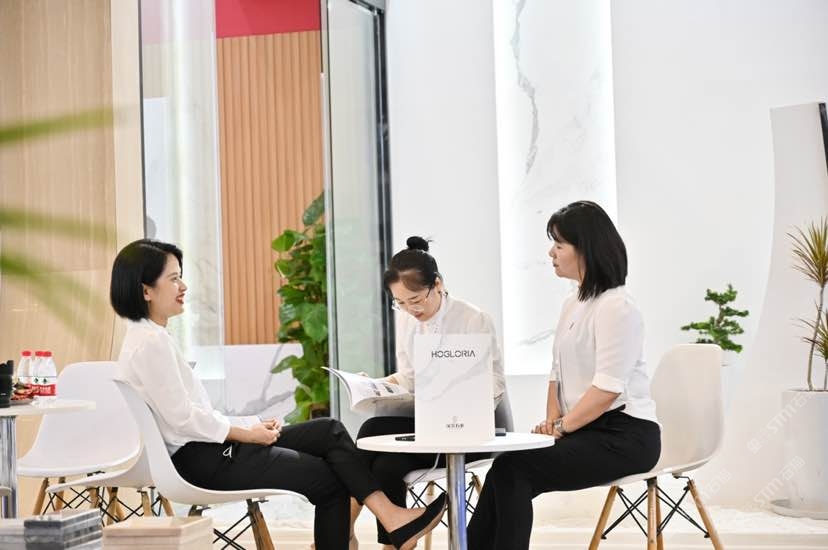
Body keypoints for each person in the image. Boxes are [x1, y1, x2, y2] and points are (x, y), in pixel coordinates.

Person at [110, 238, 446, 550]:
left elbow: (193, 414)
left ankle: (391, 516)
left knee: (329, 430)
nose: (183, 286)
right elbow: (184, 420)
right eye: (173, 279)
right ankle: (392, 518)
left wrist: (251, 425)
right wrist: (247, 434)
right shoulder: (150, 344)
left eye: (180, 277)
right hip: (203, 460)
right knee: (330, 481)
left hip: (211, 449)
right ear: (146, 290)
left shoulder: (151, 337)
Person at [466, 201, 662, 550]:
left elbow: (606, 390)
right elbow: (556, 374)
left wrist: (561, 428)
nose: (551, 253)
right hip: (586, 429)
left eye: (559, 244)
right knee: (505, 467)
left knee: (514, 469)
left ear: (585, 249)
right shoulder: (572, 303)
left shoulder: (617, 307)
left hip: (627, 436)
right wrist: (551, 424)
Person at [352, 236, 506, 549]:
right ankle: (393, 539)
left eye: (416, 300)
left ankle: (345, 533)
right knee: (380, 454)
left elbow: (495, 383)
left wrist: (452, 389)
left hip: (469, 427)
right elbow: (410, 377)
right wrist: (378, 385)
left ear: (437, 285)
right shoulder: (408, 321)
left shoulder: (472, 318)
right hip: (427, 423)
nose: (411, 310)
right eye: (400, 303)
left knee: (376, 440)